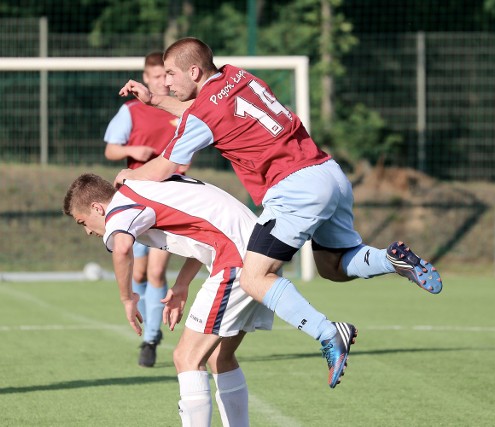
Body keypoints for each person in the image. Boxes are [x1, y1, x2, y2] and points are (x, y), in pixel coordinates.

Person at [115, 37, 443, 388]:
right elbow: (207, 111)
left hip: (294, 187)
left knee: (253, 278)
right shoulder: (237, 76)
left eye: (169, 73)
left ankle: (328, 333)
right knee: (333, 266)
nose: (165, 81)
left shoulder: (203, 113)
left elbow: (168, 165)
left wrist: (127, 177)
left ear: (193, 71)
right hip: (329, 173)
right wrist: (155, 101)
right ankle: (391, 260)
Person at [63, 172, 278, 426]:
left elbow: (122, 248)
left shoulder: (122, 207)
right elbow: (206, 233)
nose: (87, 231)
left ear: (97, 208)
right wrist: (182, 284)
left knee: (186, 357)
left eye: (82, 222)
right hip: (256, 249)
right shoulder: (145, 193)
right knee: (219, 356)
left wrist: (127, 298)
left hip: (238, 258)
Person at [103, 51, 183, 367]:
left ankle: (150, 338)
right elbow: (111, 149)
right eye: (154, 76)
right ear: (145, 79)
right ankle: (147, 325)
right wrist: (132, 150)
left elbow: (185, 156)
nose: (161, 81)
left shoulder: (179, 110)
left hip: (171, 199)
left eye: (165, 75)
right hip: (137, 198)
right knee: (137, 270)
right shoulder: (132, 111)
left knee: (157, 270)